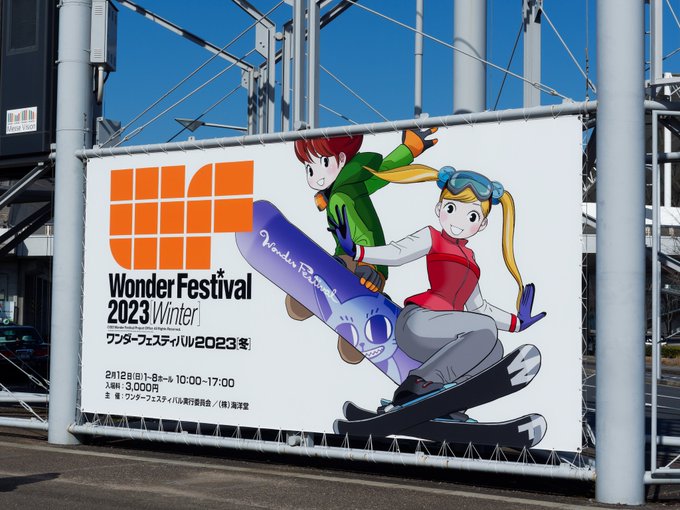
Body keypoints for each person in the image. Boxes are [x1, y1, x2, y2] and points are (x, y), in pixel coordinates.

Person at [329, 164, 546, 410]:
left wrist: (517, 323)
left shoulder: (471, 260)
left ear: (482, 224)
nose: (459, 221)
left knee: (494, 350)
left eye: (472, 216)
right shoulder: (432, 237)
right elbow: (397, 253)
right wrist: (358, 251)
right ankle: (419, 383)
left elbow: (479, 308)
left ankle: (449, 401)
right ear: (439, 208)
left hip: (446, 338)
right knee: (486, 329)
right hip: (419, 323)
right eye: (451, 209)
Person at [289, 130, 438, 364]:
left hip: (368, 263)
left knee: (337, 272)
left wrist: (409, 149)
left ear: (340, 160)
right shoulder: (338, 190)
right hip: (348, 259)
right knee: (345, 347)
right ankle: (357, 313)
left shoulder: (352, 182)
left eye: (323, 163)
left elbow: (384, 172)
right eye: (309, 169)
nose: (315, 177)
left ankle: (361, 300)